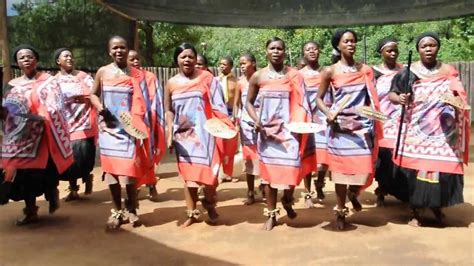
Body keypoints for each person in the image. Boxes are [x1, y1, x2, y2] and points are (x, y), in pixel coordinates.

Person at [389, 32, 469, 227]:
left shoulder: (448, 71)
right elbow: (393, 93)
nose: (428, 49)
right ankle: (416, 211)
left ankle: (437, 207)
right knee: (417, 171)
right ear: (418, 49)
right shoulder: (409, 71)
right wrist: (400, 99)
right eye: (424, 46)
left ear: (438, 48)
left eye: (432, 45)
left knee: (442, 170)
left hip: (443, 131)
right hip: (417, 130)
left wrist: (457, 101)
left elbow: (459, 94)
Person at [317, 29, 382, 230]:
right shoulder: (330, 71)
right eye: (346, 41)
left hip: (361, 128)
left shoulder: (365, 70)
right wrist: (329, 114)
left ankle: (354, 193)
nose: (351, 44)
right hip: (339, 129)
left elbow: (371, 98)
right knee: (340, 175)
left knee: (363, 170)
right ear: (338, 46)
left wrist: (371, 118)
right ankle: (340, 212)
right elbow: (319, 99)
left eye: (353, 41)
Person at [1, 45, 73, 225]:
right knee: (23, 175)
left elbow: (57, 104)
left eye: (29, 56)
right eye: (21, 57)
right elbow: (8, 110)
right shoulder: (11, 85)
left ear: (36, 60)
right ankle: (31, 210)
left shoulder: (49, 81)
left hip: (43, 136)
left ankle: (52, 194)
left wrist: (42, 116)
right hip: (21, 139)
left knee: (44, 172)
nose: (26, 59)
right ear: (17, 62)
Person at [164, 43, 234, 227]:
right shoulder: (171, 83)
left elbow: (219, 104)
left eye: (190, 56)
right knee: (189, 177)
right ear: (176, 60)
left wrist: (223, 126)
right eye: (183, 56)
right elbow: (169, 110)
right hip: (184, 137)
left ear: (196, 59)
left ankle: (210, 203)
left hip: (206, 136)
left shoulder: (207, 78)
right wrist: (170, 130)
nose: (187, 60)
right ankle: (192, 213)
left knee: (210, 178)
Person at [246, 37, 309, 231]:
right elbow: (248, 102)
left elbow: (303, 101)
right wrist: (256, 119)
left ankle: (288, 200)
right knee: (269, 177)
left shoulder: (295, 75)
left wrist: (301, 125)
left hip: (290, 134)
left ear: (284, 51)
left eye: (279, 49)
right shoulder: (258, 76)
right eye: (272, 48)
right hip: (267, 133)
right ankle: (272, 214)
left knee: (291, 173)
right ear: (266, 51)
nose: (276, 52)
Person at [90, 36, 153, 229]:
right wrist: (100, 108)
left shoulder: (136, 74)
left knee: (129, 173)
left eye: (123, 48)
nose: (119, 51)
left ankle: (132, 209)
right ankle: (117, 212)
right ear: (109, 51)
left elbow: (143, 102)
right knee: (112, 174)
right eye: (115, 48)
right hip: (108, 129)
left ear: (128, 50)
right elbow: (93, 94)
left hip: (128, 130)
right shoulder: (103, 72)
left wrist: (136, 124)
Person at [54, 48, 96, 202]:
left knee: (83, 156)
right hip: (65, 125)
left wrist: (85, 99)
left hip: (84, 123)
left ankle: (86, 177)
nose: (70, 58)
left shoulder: (83, 77)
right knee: (69, 158)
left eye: (71, 56)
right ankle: (73, 189)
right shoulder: (54, 81)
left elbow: (95, 93)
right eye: (66, 56)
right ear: (58, 61)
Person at [371, 38, 406, 207]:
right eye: (389, 51)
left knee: (399, 155)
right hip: (381, 120)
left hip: (401, 120)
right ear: (381, 53)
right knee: (382, 157)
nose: (392, 53)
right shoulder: (374, 72)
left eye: (395, 50)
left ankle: (400, 189)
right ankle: (381, 189)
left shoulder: (405, 71)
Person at [127, 50, 166, 202]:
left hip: (148, 121)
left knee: (147, 155)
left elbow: (157, 99)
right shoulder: (124, 77)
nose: (135, 62)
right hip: (129, 123)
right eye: (132, 59)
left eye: (137, 58)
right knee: (133, 157)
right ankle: (135, 188)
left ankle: (151, 185)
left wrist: (152, 119)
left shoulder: (149, 77)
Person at [299, 41, 329, 208]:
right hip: (306, 120)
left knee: (324, 158)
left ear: (319, 51)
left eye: (314, 48)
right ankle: (308, 192)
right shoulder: (299, 74)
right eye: (308, 49)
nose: (312, 51)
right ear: (304, 53)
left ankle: (320, 182)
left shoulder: (327, 72)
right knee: (308, 157)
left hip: (324, 119)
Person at [233, 53, 263, 205]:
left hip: (264, 124)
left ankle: (265, 186)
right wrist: (235, 121)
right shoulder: (240, 82)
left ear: (254, 63)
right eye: (240, 64)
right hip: (246, 125)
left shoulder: (263, 79)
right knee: (250, 159)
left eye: (245, 63)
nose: (242, 66)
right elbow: (236, 104)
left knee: (265, 156)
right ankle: (250, 192)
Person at [217, 56, 239, 183]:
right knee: (219, 145)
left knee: (231, 146)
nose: (222, 66)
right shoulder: (215, 81)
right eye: (220, 64)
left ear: (231, 66)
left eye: (225, 64)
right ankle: (220, 174)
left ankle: (230, 173)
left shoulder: (236, 82)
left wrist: (236, 117)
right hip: (219, 114)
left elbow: (238, 101)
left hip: (231, 113)